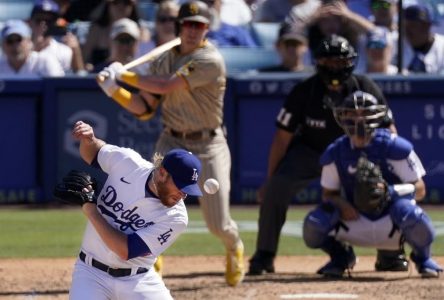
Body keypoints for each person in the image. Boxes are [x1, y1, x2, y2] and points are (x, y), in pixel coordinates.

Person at [96, 0, 245, 287]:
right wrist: (114, 89)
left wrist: (123, 74)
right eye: (187, 24)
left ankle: (233, 244)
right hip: (172, 139)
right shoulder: (164, 58)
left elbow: (165, 85)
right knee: (153, 199)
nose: (192, 30)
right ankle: (152, 259)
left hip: (208, 142)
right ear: (179, 26)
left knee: (218, 222)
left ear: (206, 29)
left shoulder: (209, 59)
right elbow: (144, 108)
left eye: (199, 25)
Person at [247, 34, 409, 276]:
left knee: (380, 187)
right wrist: (271, 180)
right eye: (329, 62)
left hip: (356, 153)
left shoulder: (365, 87)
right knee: (276, 189)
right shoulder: (304, 91)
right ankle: (264, 254)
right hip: (311, 151)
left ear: (351, 62)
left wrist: (390, 170)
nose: (334, 67)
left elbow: (389, 132)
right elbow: (281, 138)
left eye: (340, 62)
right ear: (319, 63)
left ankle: (390, 253)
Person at [302, 91, 443, 278]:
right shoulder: (336, 152)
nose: (359, 120)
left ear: (376, 116)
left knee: (412, 213)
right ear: (342, 116)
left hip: (391, 220)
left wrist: (390, 192)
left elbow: (420, 189)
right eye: (353, 114)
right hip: (355, 218)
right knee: (315, 223)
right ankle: (341, 257)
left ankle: (423, 258)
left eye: (365, 113)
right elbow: (328, 194)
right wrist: (342, 204)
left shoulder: (395, 147)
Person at [68, 120, 203, 299]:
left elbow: (125, 251)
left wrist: (91, 211)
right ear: (162, 172)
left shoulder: (176, 217)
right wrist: (89, 139)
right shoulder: (128, 163)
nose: (183, 195)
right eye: (180, 187)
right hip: (91, 273)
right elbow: (93, 152)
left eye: (187, 190)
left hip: (138, 279)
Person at [28, 0, 85, 74]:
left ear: (56, 23)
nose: (43, 24)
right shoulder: (16, 46)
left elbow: (80, 77)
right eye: (39, 20)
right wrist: (35, 46)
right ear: (30, 22)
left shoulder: (64, 51)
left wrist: (76, 52)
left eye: (49, 21)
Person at [0, 19, 64, 76]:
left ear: (29, 41)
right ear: (2, 45)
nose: (15, 45)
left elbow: (59, 87)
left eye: (19, 40)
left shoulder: (45, 62)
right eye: (10, 41)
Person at [403, 4, 444, 74]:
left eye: (413, 25)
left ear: (428, 26)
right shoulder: (395, 43)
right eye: (405, 26)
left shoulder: (442, 46)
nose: (408, 31)